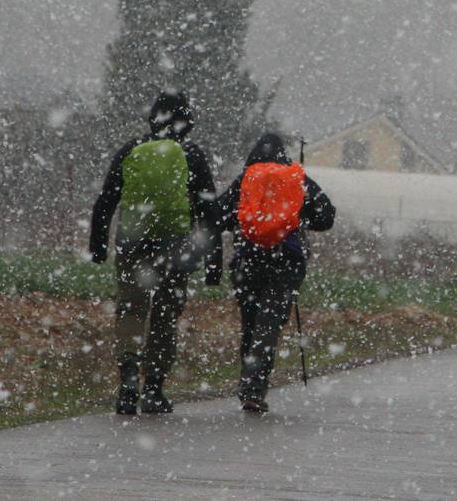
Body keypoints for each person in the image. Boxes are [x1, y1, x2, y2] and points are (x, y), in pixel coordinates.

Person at [88, 91, 220, 416]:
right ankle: (154, 389)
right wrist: (213, 261)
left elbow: (106, 201)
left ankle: (128, 381)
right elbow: (208, 213)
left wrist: (99, 245)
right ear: (187, 122)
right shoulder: (192, 154)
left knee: (131, 312)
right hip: (174, 247)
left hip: (132, 243)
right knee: (164, 317)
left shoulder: (131, 150)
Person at [216, 132, 334, 413]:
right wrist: (298, 217)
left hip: (248, 261)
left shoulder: (247, 178)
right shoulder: (296, 178)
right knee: (268, 326)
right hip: (287, 262)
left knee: (251, 324)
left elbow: (218, 214)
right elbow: (326, 216)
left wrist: (241, 221)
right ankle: (255, 388)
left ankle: (248, 384)